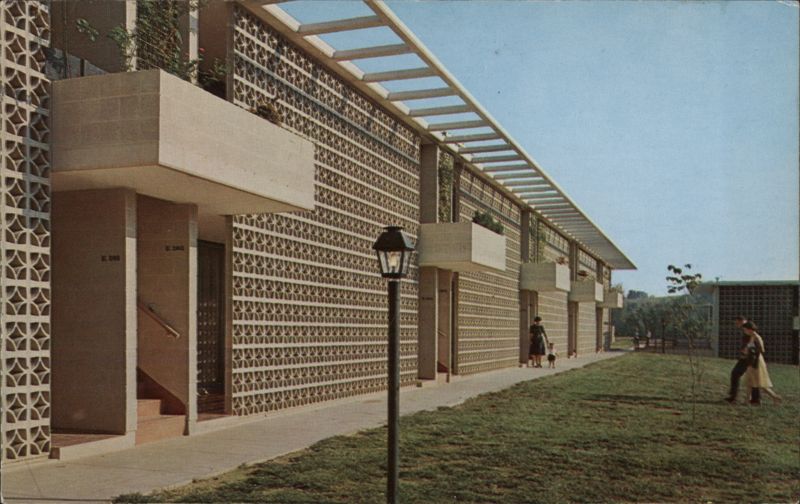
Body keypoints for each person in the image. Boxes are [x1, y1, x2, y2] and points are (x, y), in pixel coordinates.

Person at [742, 322, 782, 405]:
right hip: (751, 360)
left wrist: (751, 350)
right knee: (750, 381)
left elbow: (761, 349)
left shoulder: (756, 337)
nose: (744, 331)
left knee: (760, 383)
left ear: (749, 329)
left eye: (745, 329)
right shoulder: (752, 337)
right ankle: (747, 400)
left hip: (756, 361)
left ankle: (775, 397)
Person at [726, 316, 758, 404]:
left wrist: (746, 351)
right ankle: (754, 399)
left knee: (738, 374)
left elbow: (752, 343)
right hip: (746, 357)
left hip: (750, 358)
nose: (737, 325)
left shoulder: (749, 329)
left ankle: (734, 397)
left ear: (742, 321)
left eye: (737, 323)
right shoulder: (746, 330)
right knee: (750, 377)